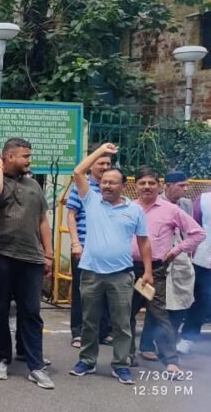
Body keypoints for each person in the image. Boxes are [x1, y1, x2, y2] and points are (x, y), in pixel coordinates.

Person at [0, 139, 55, 388]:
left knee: (31, 312)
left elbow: (42, 220)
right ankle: (1, 359)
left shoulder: (33, 185)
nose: (29, 160)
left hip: (31, 258)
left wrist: (49, 254)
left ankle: (35, 366)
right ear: (8, 157)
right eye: (24, 156)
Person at [68, 143, 152, 385]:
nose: (106, 185)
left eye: (112, 182)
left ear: (123, 186)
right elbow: (78, 172)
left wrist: (147, 271)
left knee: (122, 324)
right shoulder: (91, 200)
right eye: (104, 181)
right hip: (91, 273)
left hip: (121, 275)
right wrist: (101, 151)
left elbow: (144, 241)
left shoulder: (134, 210)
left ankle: (121, 364)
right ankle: (87, 360)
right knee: (89, 322)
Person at [126, 167, 204, 374]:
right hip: (128, 269)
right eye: (142, 183)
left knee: (160, 315)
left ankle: (171, 360)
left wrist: (176, 251)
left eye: (151, 183)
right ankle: (127, 354)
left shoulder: (171, 210)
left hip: (156, 270)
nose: (147, 187)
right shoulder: (128, 208)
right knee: (126, 313)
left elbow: (198, 233)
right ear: (136, 186)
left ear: (159, 185)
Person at [65, 146, 115, 348]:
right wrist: (76, 244)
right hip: (84, 248)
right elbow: (71, 215)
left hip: (106, 251)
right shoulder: (82, 186)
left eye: (108, 164)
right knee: (81, 293)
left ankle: (103, 331)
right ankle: (78, 332)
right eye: (101, 163)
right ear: (92, 164)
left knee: (105, 292)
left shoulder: (112, 189)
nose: (105, 167)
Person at [188, 189, 211, 353]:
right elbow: (193, 228)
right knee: (200, 298)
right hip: (205, 257)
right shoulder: (203, 200)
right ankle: (188, 337)